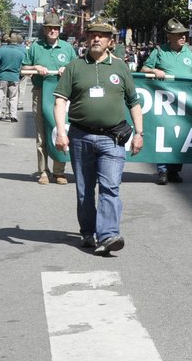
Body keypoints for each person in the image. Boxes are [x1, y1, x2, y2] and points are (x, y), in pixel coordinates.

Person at [52, 19, 143, 254]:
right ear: (86, 38)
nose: (96, 38)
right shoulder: (74, 66)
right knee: (84, 190)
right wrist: (61, 131)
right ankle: (88, 232)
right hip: (81, 136)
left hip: (112, 138)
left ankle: (109, 234)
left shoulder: (121, 67)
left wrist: (139, 133)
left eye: (102, 35)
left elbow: (134, 102)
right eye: (92, 34)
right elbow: (60, 100)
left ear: (110, 41)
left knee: (110, 187)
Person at [141, 19, 192, 185]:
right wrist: (154, 70)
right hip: (164, 102)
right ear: (170, 36)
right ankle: (162, 170)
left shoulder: (191, 51)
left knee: (180, 136)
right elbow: (144, 69)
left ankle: (175, 171)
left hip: (185, 102)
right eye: (178, 35)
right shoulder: (160, 51)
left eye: (184, 34)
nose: (183, 37)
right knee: (164, 134)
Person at [21, 14, 76, 185]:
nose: (53, 30)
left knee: (60, 131)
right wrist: (35, 67)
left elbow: (78, 69)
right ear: (44, 29)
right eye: (50, 28)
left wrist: (67, 68)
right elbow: (23, 68)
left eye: (56, 28)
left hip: (62, 95)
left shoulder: (67, 48)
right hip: (41, 93)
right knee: (41, 133)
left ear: (59, 30)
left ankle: (59, 171)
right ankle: (43, 171)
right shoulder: (36, 47)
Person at [0, 33, 26, 121]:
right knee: (13, 97)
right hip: (14, 77)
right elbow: (24, 65)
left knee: (0, 97)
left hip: (2, 76)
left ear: (8, 42)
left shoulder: (0, 51)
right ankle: (13, 116)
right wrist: (20, 75)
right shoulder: (20, 53)